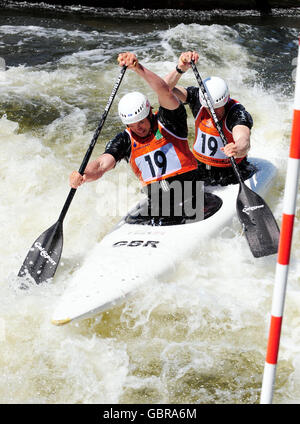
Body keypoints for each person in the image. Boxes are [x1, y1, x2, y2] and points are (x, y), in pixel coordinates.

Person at [69, 52, 203, 225]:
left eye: (141, 121)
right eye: (132, 124)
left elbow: (164, 90)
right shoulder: (125, 140)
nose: (138, 127)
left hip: (190, 195)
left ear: (149, 112)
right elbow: (102, 164)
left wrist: (138, 68)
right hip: (157, 204)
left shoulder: (168, 121)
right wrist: (83, 174)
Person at [164, 51, 255, 186]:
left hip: (230, 172)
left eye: (218, 107)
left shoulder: (237, 113)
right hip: (200, 168)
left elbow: (244, 140)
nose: (213, 112)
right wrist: (180, 69)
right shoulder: (197, 98)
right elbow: (164, 90)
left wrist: (237, 148)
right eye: (209, 107)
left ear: (226, 100)